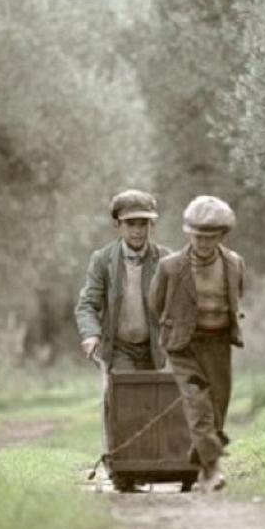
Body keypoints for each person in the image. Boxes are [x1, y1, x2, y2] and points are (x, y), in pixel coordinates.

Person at [74, 189, 171, 491]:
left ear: (150, 226)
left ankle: (145, 467)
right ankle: (120, 471)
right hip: (118, 347)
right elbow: (88, 304)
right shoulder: (102, 260)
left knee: (151, 406)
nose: (138, 230)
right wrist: (90, 335)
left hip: (154, 347)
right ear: (118, 225)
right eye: (131, 224)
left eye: (143, 223)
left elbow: (180, 302)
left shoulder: (165, 259)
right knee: (119, 405)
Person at [150, 195, 245, 492]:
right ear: (188, 233)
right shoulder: (170, 267)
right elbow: (156, 304)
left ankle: (201, 463)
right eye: (198, 236)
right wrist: (178, 325)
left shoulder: (234, 263)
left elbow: (236, 297)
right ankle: (214, 470)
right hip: (183, 346)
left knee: (217, 409)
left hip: (218, 343)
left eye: (211, 237)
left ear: (222, 235)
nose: (203, 242)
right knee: (198, 404)